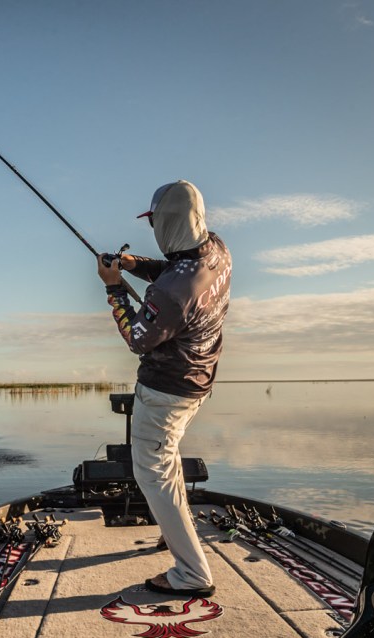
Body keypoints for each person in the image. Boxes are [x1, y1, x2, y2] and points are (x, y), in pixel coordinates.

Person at [97, 180, 232, 598]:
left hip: (165, 391)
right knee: (166, 463)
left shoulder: (172, 294)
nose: (152, 227)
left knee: (152, 473)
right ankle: (175, 530)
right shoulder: (217, 250)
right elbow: (174, 268)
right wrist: (132, 263)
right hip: (198, 382)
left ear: (167, 222)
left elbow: (137, 338)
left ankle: (191, 574)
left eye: (154, 221)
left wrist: (113, 286)